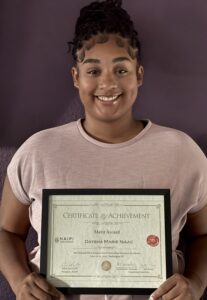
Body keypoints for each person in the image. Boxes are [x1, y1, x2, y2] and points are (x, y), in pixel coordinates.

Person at [0, 0, 207, 299]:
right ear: (76, 77)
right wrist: (20, 281)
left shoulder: (182, 152)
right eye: (93, 70)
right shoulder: (38, 151)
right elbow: (6, 232)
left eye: (121, 69)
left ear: (139, 74)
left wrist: (197, 283)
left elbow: (203, 234)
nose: (108, 83)